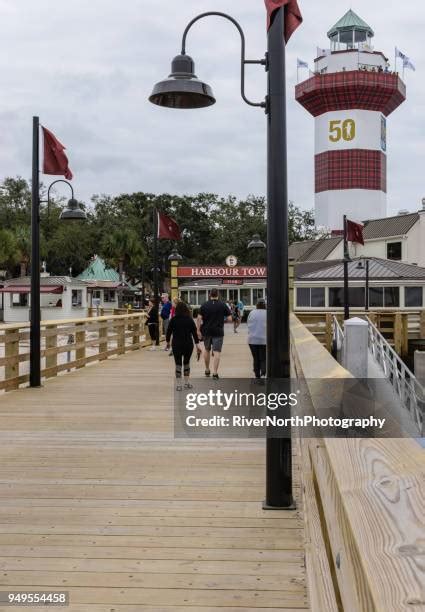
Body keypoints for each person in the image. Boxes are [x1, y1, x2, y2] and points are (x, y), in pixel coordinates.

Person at [197, 289, 231, 380]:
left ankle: (207, 369)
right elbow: (230, 319)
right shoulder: (222, 305)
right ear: (218, 295)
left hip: (206, 331)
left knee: (207, 350)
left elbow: (199, 318)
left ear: (209, 295)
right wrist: (222, 321)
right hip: (218, 331)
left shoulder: (204, 305)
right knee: (217, 352)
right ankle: (215, 373)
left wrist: (198, 330)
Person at [166, 301, 201, 391]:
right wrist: (198, 346)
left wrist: (168, 343)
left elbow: (168, 332)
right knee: (186, 362)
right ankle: (186, 383)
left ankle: (178, 385)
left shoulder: (173, 320)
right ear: (186, 309)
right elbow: (194, 334)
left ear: (176, 310)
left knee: (178, 364)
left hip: (176, 344)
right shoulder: (189, 320)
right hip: (188, 344)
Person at [247, 299, 267, 381]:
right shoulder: (267, 313)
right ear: (265, 305)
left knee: (256, 358)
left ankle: (257, 374)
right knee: (263, 357)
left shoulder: (252, 312)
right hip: (263, 340)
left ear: (256, 305)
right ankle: (263, 372)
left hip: (252, 340)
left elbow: (248, 324)